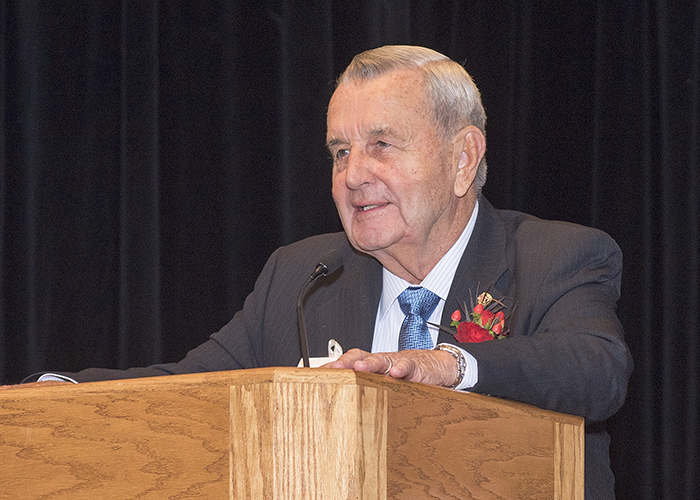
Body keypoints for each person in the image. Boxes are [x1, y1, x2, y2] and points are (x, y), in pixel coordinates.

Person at [12, 46, 633, 498]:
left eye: (381, 145)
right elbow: (192, 388)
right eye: (340, 151)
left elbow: (596, 368)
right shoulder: (302, 275)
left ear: (463, 159)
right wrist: (61, 395)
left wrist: (447, 364)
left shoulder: (556, 257)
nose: (353, 174)